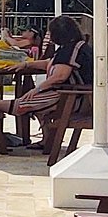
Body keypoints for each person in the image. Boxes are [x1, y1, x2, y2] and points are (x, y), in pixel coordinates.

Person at [9, 15, 92, 146]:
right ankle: (47, 139)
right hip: (78, 96)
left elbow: (60, 76)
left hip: (73, 99)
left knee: (25, 103)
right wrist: (27, 64)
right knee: (29, 101)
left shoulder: (72, 50)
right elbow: (51, 63)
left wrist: (37, 89)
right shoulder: (75, 46)